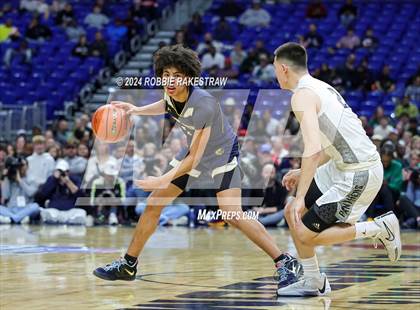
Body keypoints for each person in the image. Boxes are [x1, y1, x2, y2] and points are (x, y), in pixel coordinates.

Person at [93, 44, 302, 288]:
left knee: (232, 215)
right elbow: (166, 104)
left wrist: (163, 179)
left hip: (220, 156)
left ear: (189, 78)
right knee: (153, 204)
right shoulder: (172, 92)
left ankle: (285, 261)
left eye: (177, 76)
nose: (170, 81)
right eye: (166, 75)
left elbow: (194, 158)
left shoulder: (204, 103)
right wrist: (137, 110)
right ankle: (128, 265)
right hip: (195, 151)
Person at [273, 42, 401, 296]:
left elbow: (313, 149)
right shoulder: (319, 87)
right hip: (340, 164)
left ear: (284, 68)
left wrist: (301, 197)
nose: (275, 74)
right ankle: (314, 281)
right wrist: (303, 174)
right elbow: (330, 143)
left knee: (304, 231)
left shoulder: (302, 95)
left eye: (275, 69)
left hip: (359, 172)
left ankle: (379, 228)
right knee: (291, 212)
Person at [38, 160, 85, 224]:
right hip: (54, 211)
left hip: (71, 211)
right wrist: (54, 179)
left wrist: (68, 182)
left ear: (68, 172)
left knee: (81, 213)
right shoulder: (51, 179)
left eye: (64, 172)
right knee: (46, 213)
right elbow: (44, 194)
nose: (62, 174)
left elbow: (80, 196)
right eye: (60, 171)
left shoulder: (75, 179)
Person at [0, 157, 40, 224]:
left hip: (26, 208)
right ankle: (18, 218)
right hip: (11, 209)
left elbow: (30, 193)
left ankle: (12, 218)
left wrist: (20, 181)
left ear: (27, 166)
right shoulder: (10, 178)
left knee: (36, 206)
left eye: (23, 165)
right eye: (19, 165)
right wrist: (5, 177)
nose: (21, 167)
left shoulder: (32, 179)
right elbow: (5, 196)